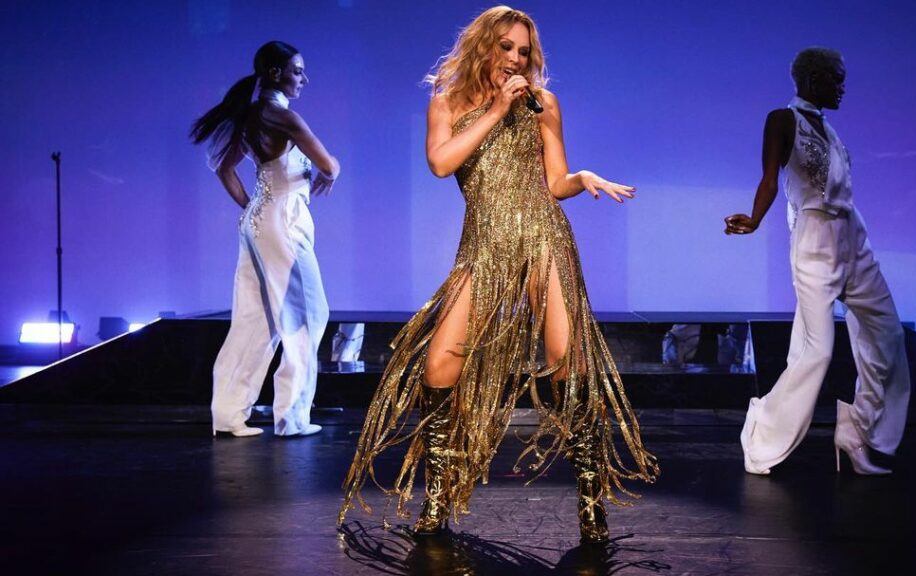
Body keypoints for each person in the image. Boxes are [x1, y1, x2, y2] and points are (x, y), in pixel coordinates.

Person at [338, 6, 658, 543]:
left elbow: (554, 181)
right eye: (506, 47)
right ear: (484, 46)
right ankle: (438, 491)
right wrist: (494, 108)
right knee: (440, 364)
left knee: (568, 364)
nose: (515, 59)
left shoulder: (543, 104)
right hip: (484, 246)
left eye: (524, 51)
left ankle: (590, 497)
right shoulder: (447, 103)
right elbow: (442, 164)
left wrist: (581, 176)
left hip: (543, 237)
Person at [724, 47, 911, 475]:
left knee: (887, 338)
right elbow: (770, 178)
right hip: (815, 240)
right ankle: (763, 433)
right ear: (812, 78)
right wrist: (754, 219)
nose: (843, 88)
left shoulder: (830, 129)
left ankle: (856, 431)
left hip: (853, 236)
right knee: (817, 352)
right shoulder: (782, 119)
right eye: (836, 79)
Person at [191, 41, 339, 438]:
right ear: (276, 73)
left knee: (255, 320)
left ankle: (227, 414)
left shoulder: (255, 114)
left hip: (258, 221)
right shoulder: (281, 116)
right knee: (309, 315)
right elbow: (330, 163)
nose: (304, 79)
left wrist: (252, 206)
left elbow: (224, 168)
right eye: (297, 71)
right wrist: (327, 172)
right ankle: (292, 416)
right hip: (283, 223)